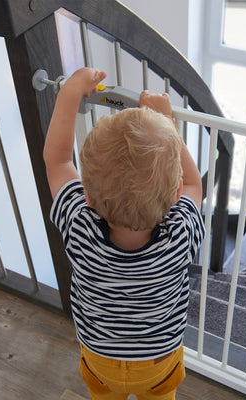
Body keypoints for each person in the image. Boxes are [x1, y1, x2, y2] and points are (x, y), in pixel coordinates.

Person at [43, 67, 205, 400]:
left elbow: (57, 161)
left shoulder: (79, 226)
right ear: (174, 195)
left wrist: (70, 91)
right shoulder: (180, 235)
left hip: (100, 359)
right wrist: (165, 119)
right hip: (158, 363)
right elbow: (193, 184)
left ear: (86, 194)